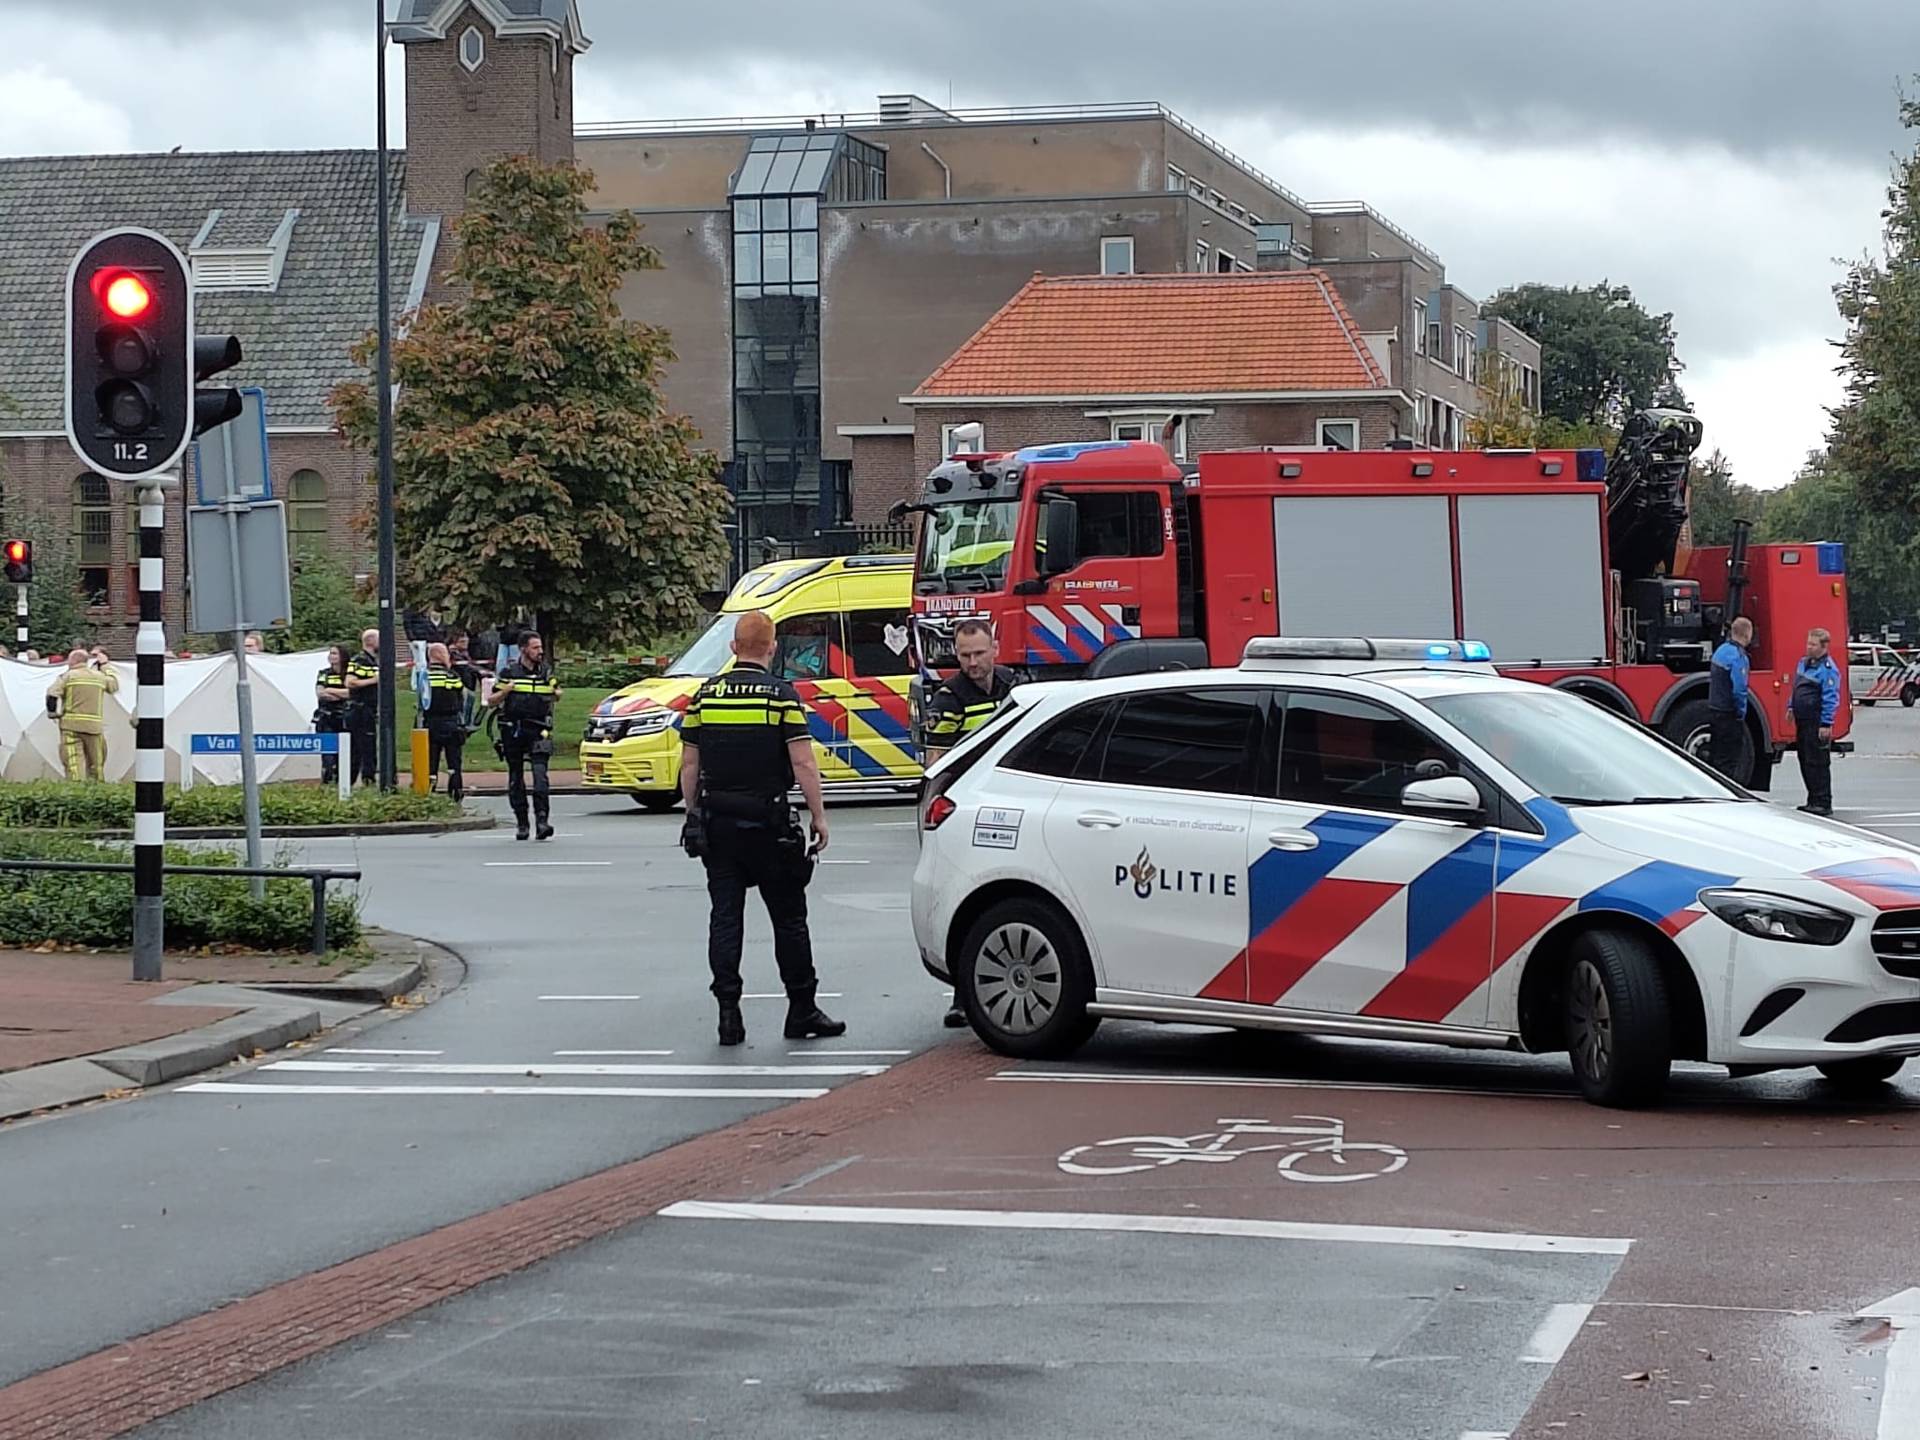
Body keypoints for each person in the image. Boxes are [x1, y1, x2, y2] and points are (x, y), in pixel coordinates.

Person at [679, 609, 844, 1047]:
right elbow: (803, 762)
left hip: (719, 826)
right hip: (769, 826)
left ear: (733, 648)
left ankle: (729, 1013)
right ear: (772, 648)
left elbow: (690, 764)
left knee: (726, 919)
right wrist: (819, 816)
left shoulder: (705, 696)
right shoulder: (780, 697)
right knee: (789, 919)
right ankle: (801, 1009)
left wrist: (693, 813)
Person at [923, 617, 1017, 1026]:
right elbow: (936, 764)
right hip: (970, 810)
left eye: (979, 653)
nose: (973, 662)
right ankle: (963, 996)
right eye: (965, 656)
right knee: (968, 902)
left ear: (995, 648)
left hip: (1014, 803)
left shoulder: (1014, 686)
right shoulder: (949, 698)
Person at [487, 630, 561, 841]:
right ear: (523, 650)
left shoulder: (545, 672)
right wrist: (505, 691)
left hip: (539, 729)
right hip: (514, 729)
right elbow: (491, 700)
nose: (540, 652)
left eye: (540, 648)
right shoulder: (509, 672)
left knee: (540, 777)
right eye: (535, 648)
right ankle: (522, 823)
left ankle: (542, 821)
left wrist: (555, 694)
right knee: (516, 777)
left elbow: (557, 692)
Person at [48, 647, 119, 781]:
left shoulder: (67, 676)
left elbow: (52, 694)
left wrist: (52, 712)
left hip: (70, 726)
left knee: (74, 763)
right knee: (96, 764)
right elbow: (114, 685)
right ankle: (98, 791)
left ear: (72, 661)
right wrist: (105, 665)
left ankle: (77, 792)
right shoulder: (99, 677)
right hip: (94, 727)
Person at [1792, 627, 1842, 817]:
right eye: (1808, 643)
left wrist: (1826, 723)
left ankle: (1822, 801)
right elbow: (1796, 687)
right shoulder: (1804, 664)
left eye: (1813, 644)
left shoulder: (1828, 670)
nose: (1809, 647)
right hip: (1802, 720)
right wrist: (1791, 706)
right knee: (1805, 759)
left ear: (1824, 647)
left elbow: (1831, 698)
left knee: (1817, 761)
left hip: (1815, 721)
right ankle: (1812, 799)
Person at [421, 642, 472, 803]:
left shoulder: (425, 675)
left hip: (430, 722)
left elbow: (421, 699)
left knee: (431, 762)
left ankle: (429, 792)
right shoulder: (452, 676)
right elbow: (462, 697)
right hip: (451, 723)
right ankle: (456, 793)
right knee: (454, 762)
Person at [1707, 617, 1753, 784]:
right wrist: (1741, 712)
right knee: (1729, 759)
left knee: (1716, 756)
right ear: (1747, 635)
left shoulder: (1721, 650)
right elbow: (1739, 688)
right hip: (1729, 714)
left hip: (1715, 710)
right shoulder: (1738, 657)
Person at [343, 627, 380, 787]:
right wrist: (374, 680)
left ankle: (367, 779)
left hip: (369, 709)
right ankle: (354, 782)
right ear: (371, 641)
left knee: (369, 747)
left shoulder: (373, 660)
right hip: (360, 709)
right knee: (360, 748)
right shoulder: (360, 660)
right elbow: (350, 682)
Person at [314, 643, 352, 785]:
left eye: (335, 653)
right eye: (330, 653)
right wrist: (339, 694)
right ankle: (328, 782)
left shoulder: (349, 674)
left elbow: (351, 693)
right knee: (328, 755)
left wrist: (332, 690)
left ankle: (343, 783)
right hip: (326, 718)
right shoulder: (324, 673)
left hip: (345, 718)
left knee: (345, 755)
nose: (331, 656)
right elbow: (321, 693)